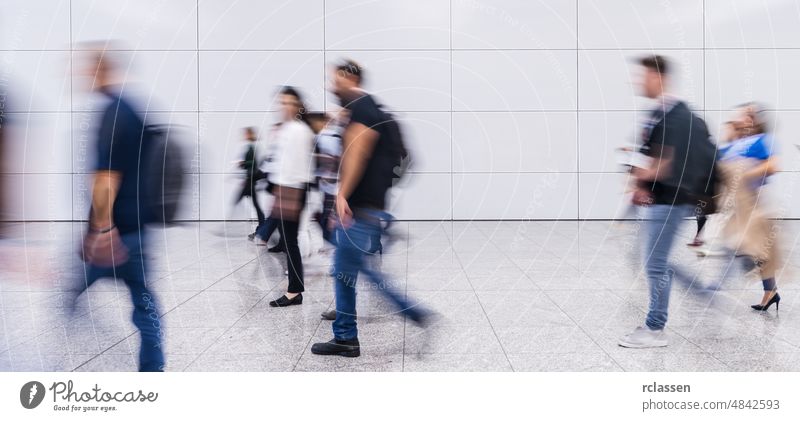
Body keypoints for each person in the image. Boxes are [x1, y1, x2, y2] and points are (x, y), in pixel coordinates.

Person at [311, 60, 430, 358]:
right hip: (374, 207)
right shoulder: (374, 108)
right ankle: (346, 333)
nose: (330, 85)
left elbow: (357, 152)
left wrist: (341, 195)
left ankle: (410, 314)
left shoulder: (361, 108)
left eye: (334, 79)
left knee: (352, 271)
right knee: (347, 270)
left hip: (359, 208)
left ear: (349, 77)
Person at [71, 47, 164, 371]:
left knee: (69, 292)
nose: (79, 74)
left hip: (116, 232)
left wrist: (102, 228)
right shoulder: (133, 109)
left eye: (84, 67)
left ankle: (56, 357)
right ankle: (153, 369)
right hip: (138, 227)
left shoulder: (113, 112)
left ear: (98, 70)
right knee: (144, 302)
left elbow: (106, 179)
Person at [618, 55, 717, 349]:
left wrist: (640, 177)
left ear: (659, 77)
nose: (638, 82)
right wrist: (640, 180)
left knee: (655, 264)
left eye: (643, 76)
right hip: (667, 199)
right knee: (656, 262)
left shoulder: (673, 116)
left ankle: (655, 328)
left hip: (670, 200)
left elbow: (663, 165)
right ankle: (700, 292)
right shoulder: (666, 113)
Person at [717, 103, 782, 311]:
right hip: (738, 205)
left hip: (754, 204)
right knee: (759, 252)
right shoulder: (741, 142)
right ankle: (770, 292)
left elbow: (773, 166)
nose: (744, 118)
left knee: (747, 247)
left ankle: (713, 289)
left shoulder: (764, 140)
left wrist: (745, 172)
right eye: (744, 115)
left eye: (749, 115)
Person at [259, 86, 315, 308]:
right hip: (282, 190)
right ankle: (294, 288)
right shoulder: (287, 129)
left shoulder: (300, 131)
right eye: (283, 102)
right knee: (288, 242)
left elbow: (299, 167)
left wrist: (287, 195)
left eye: (291, 103)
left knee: (290, 243)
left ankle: (294, 291)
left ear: (298, 105)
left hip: (291, 191)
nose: (286, 106)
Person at [234, 127, 266, 240]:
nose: (244, 135)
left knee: (238, 201)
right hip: (250, 179)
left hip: (251, 180)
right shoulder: (252, 146)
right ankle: (262, 229)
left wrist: (243, 163)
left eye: (246, 133)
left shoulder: (252, 147)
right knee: (256, 205)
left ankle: (263, 229)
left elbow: (254, 163)